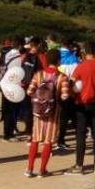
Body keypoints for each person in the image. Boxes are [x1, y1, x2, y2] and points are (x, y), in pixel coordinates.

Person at [24, 48, 70, 178]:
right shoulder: (62, 77)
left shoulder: (38, 74)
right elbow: (65, 96)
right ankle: (42, 170)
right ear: (59, 61)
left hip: (38, 112)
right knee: (48, 141)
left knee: (35, 140)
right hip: (53, 113)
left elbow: (29, 92)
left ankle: (29, 169)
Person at [64, 41, 95, 175]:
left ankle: (79, 165)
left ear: (84, 52)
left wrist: (73, 95)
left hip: (81, 103)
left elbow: (70, 83)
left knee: (80, 134)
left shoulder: (80, 66)